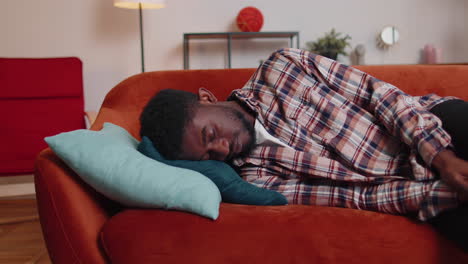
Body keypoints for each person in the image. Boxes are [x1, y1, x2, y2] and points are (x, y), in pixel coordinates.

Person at [140, 48, 468, 250]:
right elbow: (355, 198)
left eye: (211, 134)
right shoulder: (256, 178)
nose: (223, 148)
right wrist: (442, 194)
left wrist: (442, 157)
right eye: (209, 156)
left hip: (433, 125)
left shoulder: (282, 68)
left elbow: (378, 94)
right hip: (418, 187)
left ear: (207, 98)